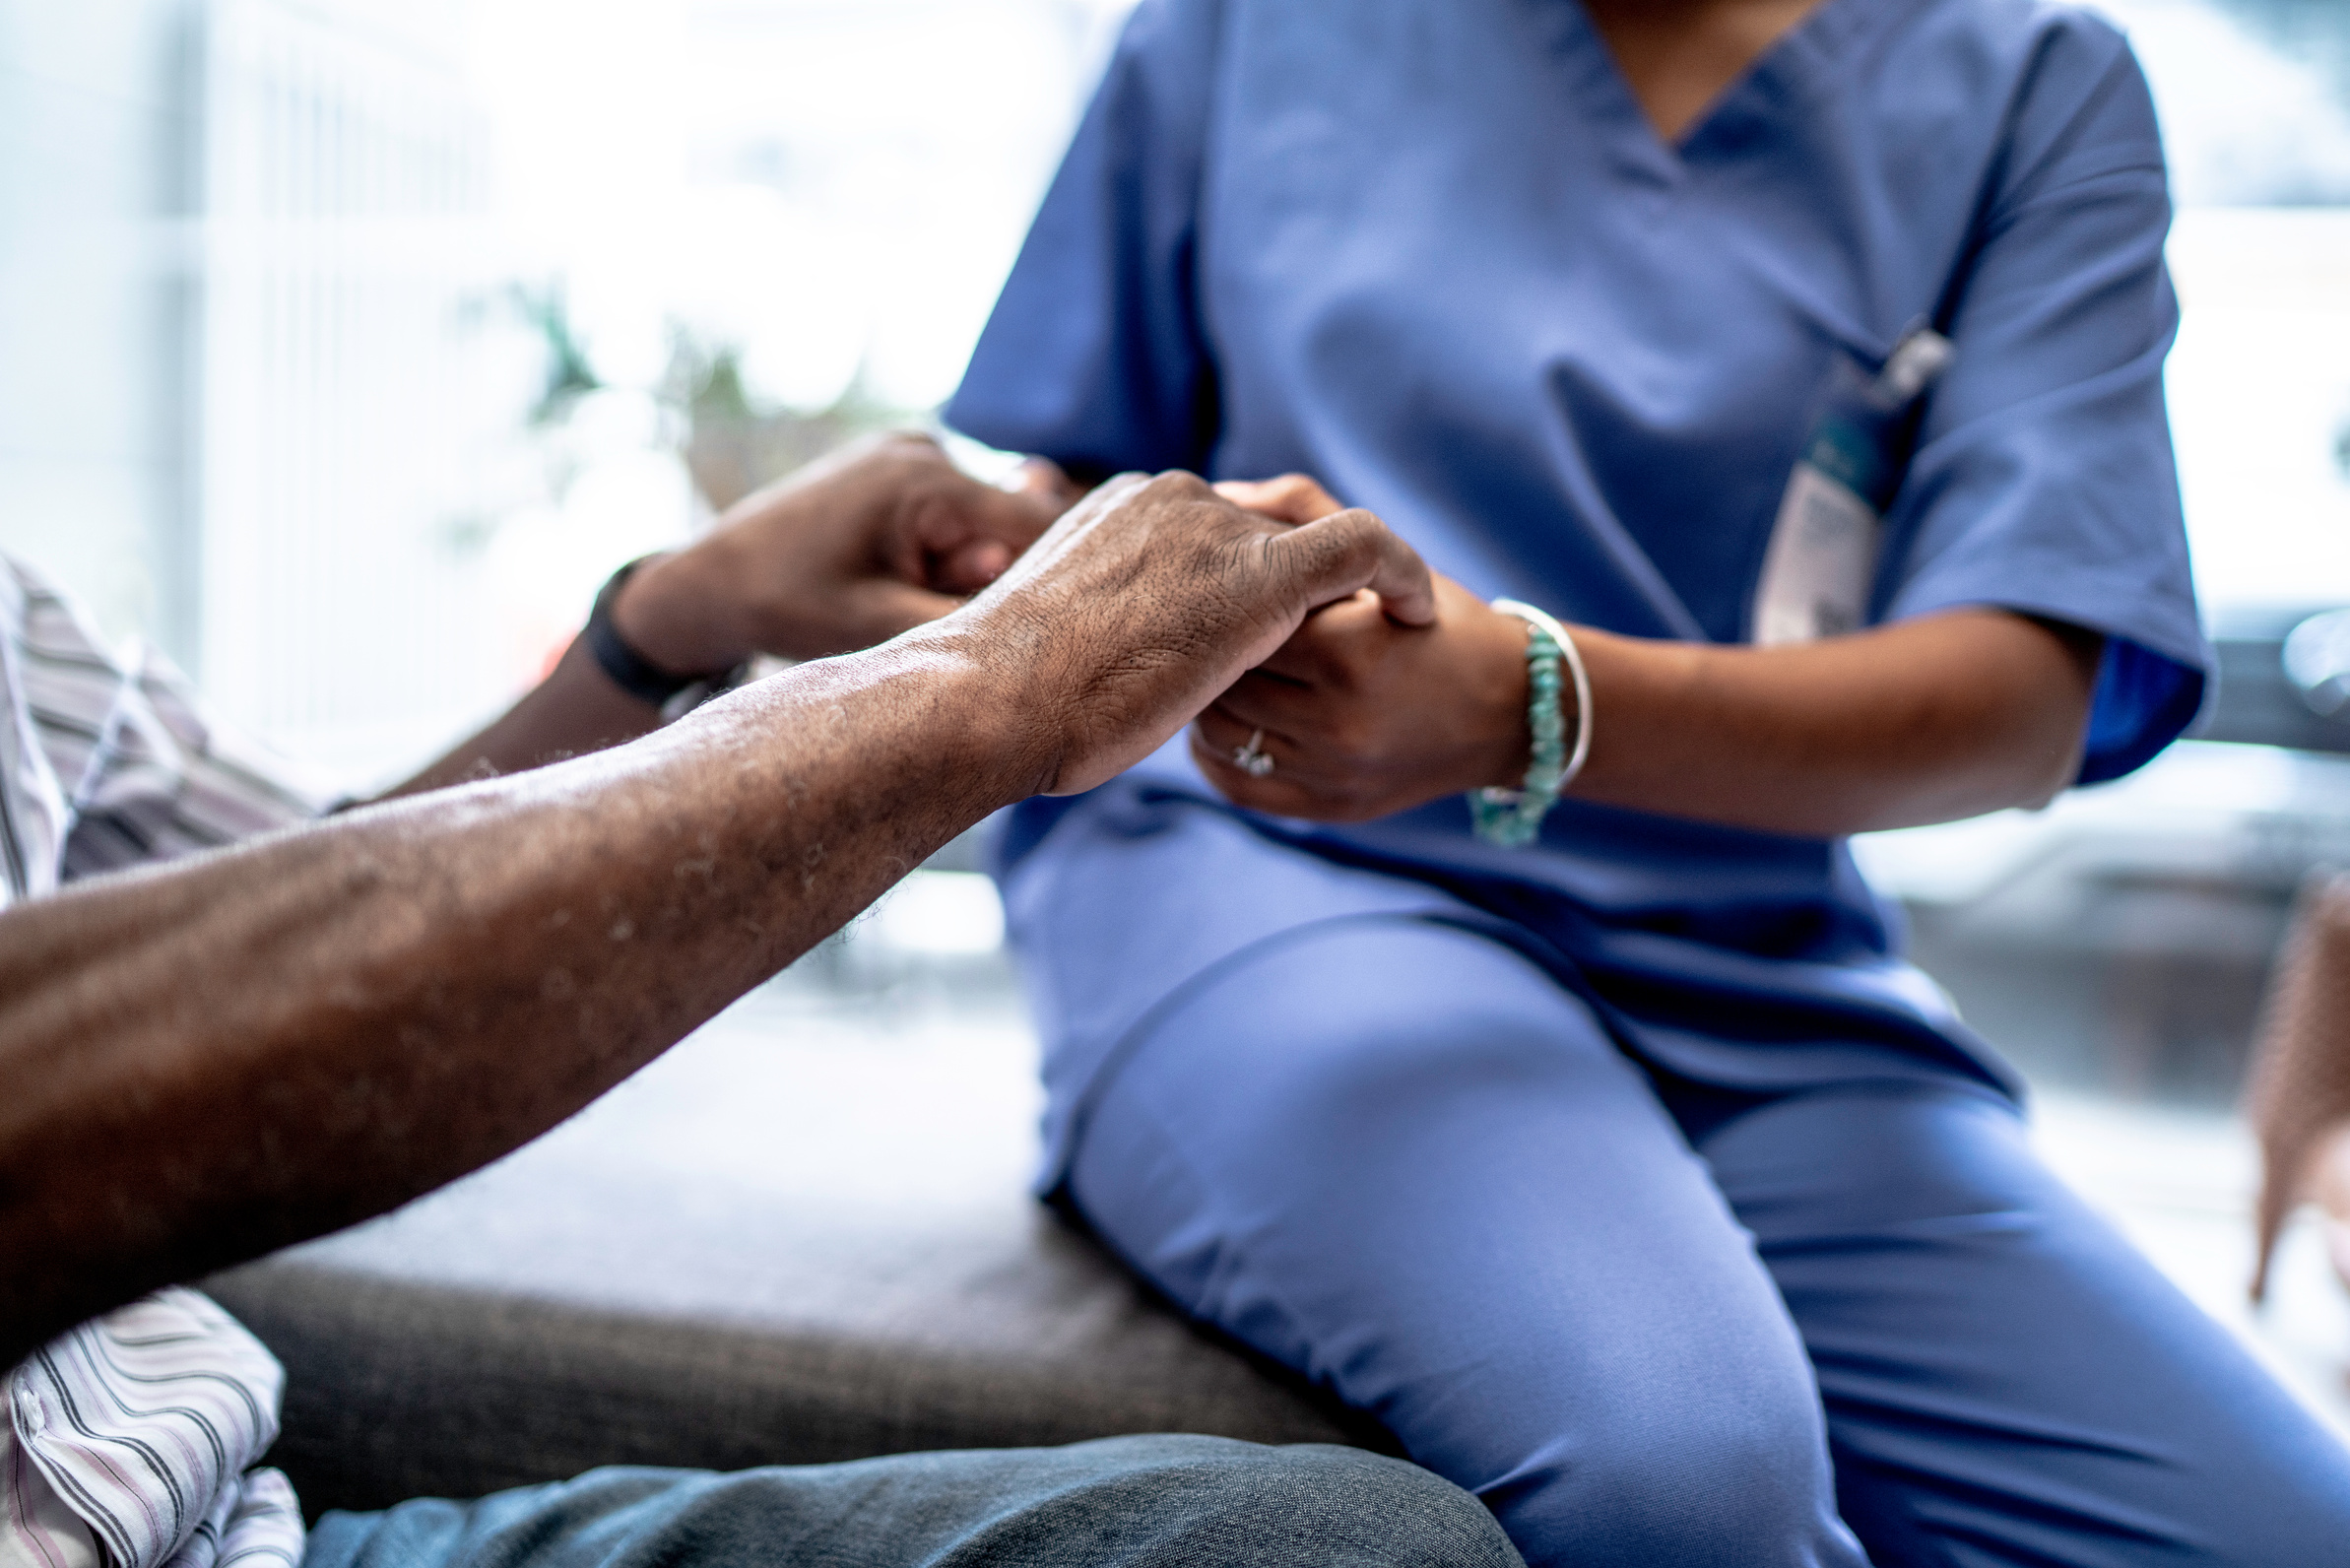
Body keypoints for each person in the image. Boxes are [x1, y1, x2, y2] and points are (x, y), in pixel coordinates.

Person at [944, 1, 2350, 1564]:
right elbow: (1066, 511)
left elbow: (2025, 692)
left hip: (1744, 970)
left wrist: (1523, 702)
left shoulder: (2023, 81)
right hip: (1268, 876)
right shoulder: (1250, 29)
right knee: (1681, 1484)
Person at [0, 434, 1525, 1568]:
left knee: (1365, 1552)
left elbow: (267, 925)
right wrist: (991, 685)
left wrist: (666, 622)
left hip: (243, 1534)